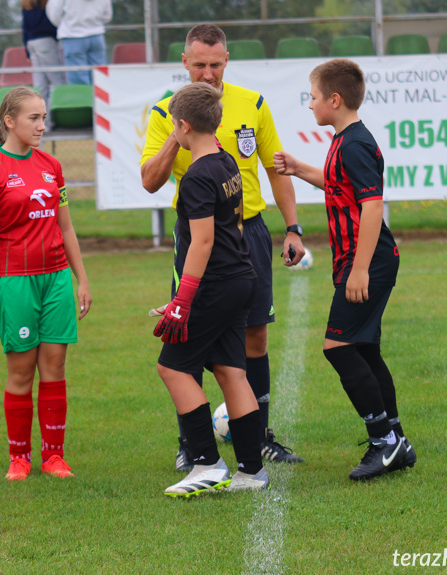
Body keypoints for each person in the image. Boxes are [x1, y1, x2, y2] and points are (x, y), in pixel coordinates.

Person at [140, 24, 305, 472]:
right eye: (199, 65)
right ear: (184, 62)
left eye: (215, 65)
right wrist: (178, 131)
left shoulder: (251, 103)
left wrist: (293, 228)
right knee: (187, 337)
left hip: (249, 231)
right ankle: (189, 442)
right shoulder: (164, 113)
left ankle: (260, 436)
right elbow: (150, 181)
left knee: (254, 335)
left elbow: (276, 169)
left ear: (227, 60)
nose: (208, 74)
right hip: (196, 237)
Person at [273, 58, 415, 480]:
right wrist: (300, 169)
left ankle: (383, 443)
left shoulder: (353, 143)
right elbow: (341, 186)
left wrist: (360, 269)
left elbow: (372, 205)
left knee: (337, 348)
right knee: (365, 351)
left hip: (367, 264)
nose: (310, 104)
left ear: (334, 100)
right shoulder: (344, 138)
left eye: (313, 97)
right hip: (361, 262)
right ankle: (396, 441)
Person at [0, 87, 91, 481]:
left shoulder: (52, 166)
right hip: (13, 280)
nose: (42, 125)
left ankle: (53, 456)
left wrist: (81, 278)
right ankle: (18, 458)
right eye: (33, 118)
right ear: (9, 121)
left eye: (43, 117)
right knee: (21, 370)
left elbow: (66, 227)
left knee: (54, 366)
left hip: (55, 278)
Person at [155, 82, 268, 497]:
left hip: (214, 285)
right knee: (231, 372)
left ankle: (207, 463)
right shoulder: (226, 161)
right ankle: (251, 472)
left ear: (183, 126)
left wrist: (182, 301)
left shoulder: (198, 176)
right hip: (240, 279)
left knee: (173, 368)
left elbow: (202, 242)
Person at [45, 0, 112, 85]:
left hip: (72, 35)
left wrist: (66, 24)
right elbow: (107, 16)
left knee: (77, 77)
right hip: (96, 34)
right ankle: (99, 98)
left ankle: (82, 97)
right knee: (99, 75)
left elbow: (54, 14)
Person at [22, 0, 67, 122]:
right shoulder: (47, 4)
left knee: (40, 87)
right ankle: (51, 120)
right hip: (46, 42)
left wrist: (27, 52)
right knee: (57, 82)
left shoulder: (27, 5)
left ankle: (38, 122)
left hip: (32, 44)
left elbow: (24, 29)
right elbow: (52, 24)